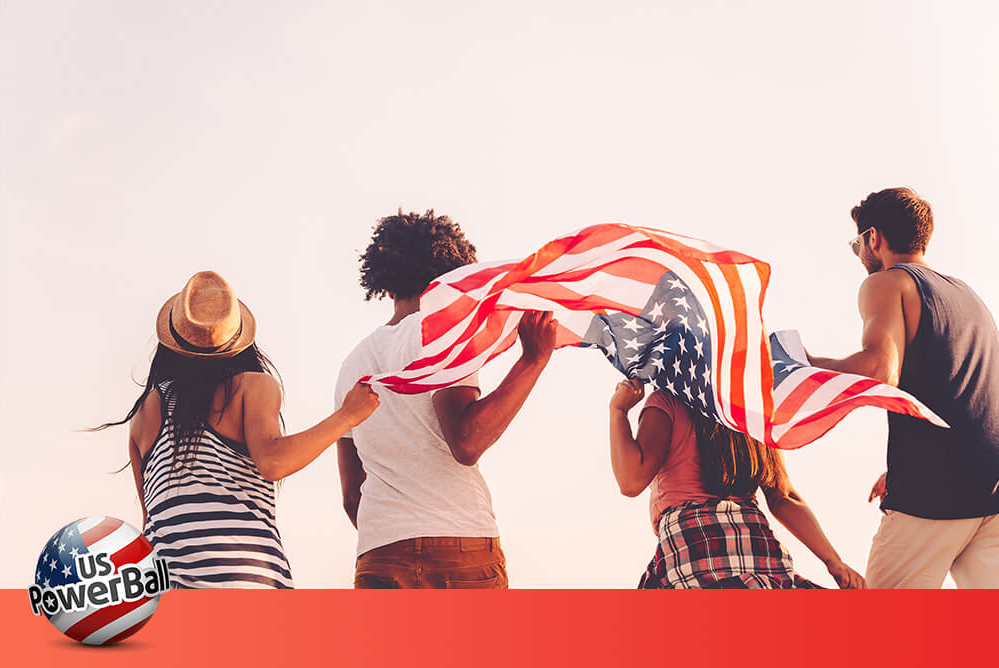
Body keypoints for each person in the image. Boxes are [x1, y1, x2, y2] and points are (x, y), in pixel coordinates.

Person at [99, 270, 379, 588]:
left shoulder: (144, 413)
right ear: (238, 339)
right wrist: (347, 416)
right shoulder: (251, 387)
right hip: (245, 585)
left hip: (166, 593)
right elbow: (273, 462)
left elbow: (153, 520)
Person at [335, 210, 557, 589]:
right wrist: (532, 360)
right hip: (458, 545)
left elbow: (352, 497)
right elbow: (467, 442)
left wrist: (397, 535)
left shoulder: (352, 365)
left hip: (379, 554)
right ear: (451, 278)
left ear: (386, 284)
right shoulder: (441, 337)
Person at [807, 187, 999, 588]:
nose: (859, 253)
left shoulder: (888, 283)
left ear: (873, 237)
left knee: (882, 639)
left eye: (856, 243)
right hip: (990, 486)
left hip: (934, 494)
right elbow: (970, 394)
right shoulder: (970, 296)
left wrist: (800, 364)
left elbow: (879, 371)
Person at [609, 378, 865, 589]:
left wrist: (618, 411)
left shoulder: (667, 401)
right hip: (756, 544)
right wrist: (833, 560)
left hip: (695, 544)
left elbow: (631, 481)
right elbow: (783, 497)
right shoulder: (749, 410)